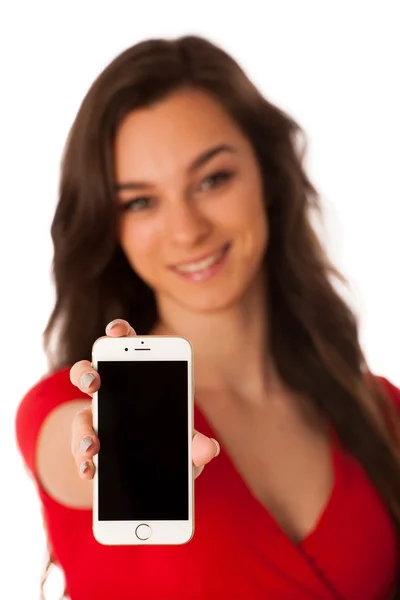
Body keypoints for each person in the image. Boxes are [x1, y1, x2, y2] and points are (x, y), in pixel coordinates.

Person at [15, 34, 400, 600]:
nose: (187, 230)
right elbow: (73, 455)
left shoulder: (383, 413)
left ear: (268, 178)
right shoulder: (64, 410)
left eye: (212, 179)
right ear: (111, 225)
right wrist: (110, 448)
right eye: (140, 201)